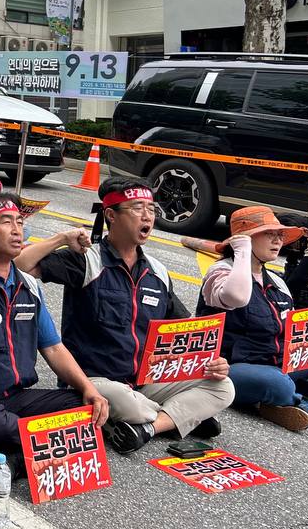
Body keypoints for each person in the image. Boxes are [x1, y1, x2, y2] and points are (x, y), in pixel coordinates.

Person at [16, 178, 233, 452]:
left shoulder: (157, 272)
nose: (147, 216)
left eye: (152, 209)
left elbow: (187, 330)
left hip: (145, 381)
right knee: (125, 401)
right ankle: (180, 416)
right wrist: (61, 238)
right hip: (96, 383)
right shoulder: (87, 260)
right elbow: (20, 265)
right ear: (111, 215)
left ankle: (151, 426)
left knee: (223, 386)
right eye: (137, 208)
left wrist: (213, 361)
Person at [0, 193, 108, 462]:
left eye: (20, 222)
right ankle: (31, 449)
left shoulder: (29, 285)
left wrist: (88, 388)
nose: (17, 230)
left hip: (17, 398)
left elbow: (53, 348)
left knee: (86, 408)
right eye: (5, 222)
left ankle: (9, 459)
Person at [199, 206, 308, 431]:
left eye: (280, 235)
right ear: (244, 240)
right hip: (230, 367)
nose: (277, 240)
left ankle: (306, 407)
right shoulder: (220, 272)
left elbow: (291, 335)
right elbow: (235, 296)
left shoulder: (278, 282)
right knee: (277, 383)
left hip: (276, 363)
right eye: (269, 234)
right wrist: (242, 251)